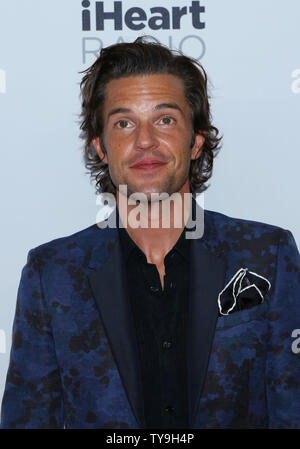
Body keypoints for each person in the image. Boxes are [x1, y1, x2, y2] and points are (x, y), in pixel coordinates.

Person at [1, 37, 300, 429]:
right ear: (100, 147)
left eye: (165, 120)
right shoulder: (51, 273)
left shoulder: (268, 256)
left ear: (196, 142)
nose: (144, 140)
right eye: (124, 123)